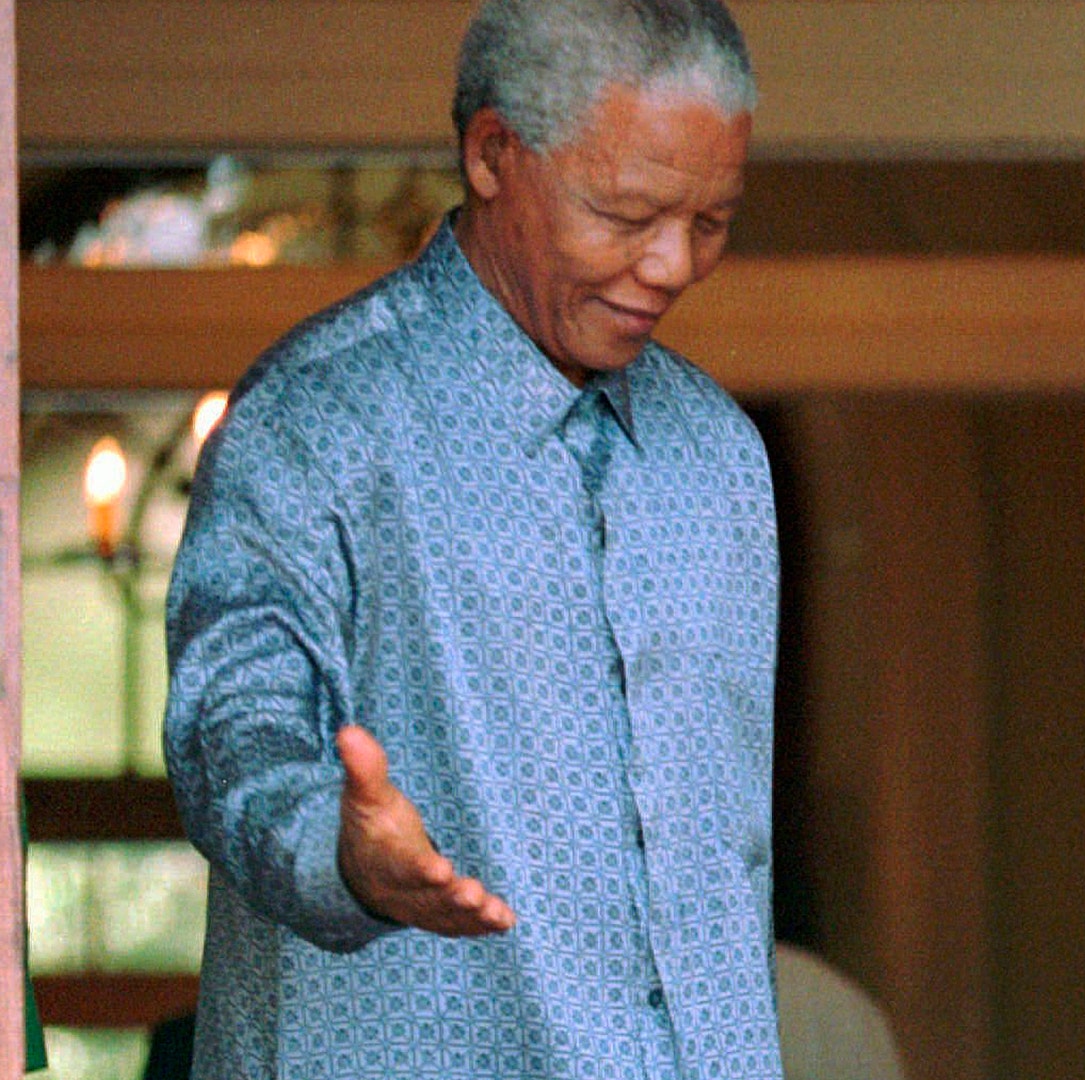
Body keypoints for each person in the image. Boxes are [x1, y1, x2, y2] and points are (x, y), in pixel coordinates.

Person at [162, 1, 780, 1077]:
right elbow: (233, 726)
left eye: (713, 222)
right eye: (627, 214)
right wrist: (341, 856)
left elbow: (729, 860)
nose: (674, 264)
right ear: (493, 152)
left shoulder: (721, 456)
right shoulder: (316, 422)